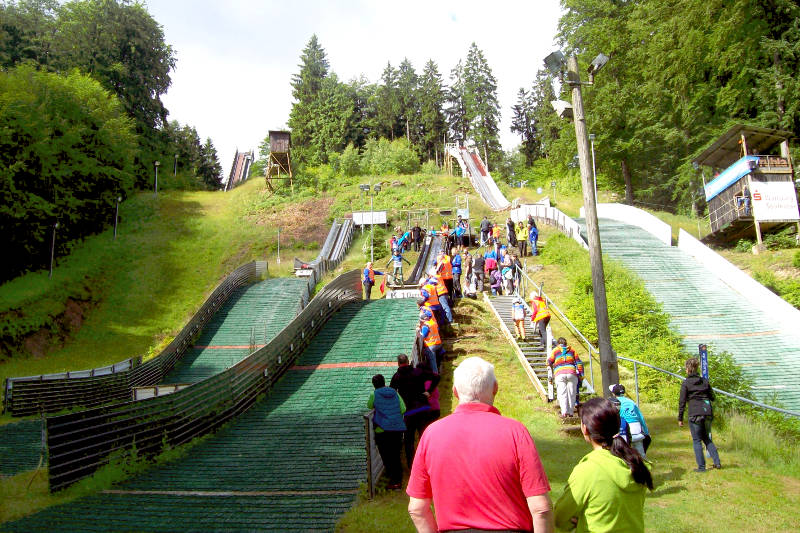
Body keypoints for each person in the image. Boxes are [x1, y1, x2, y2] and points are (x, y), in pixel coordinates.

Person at [407, 357, 553, 533]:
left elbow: (417, 509)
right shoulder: (515, 431)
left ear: (455, 392)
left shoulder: (431, 434)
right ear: (495, 389)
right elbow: (541, 508)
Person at [554, 397, 653, 532]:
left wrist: (577, 522)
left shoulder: (588, 470)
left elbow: (559, 517)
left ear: (585, 428)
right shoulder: (635, 463)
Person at [391, 354, 440, 470]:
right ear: (408, 361)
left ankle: (412, 467)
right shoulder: (418, 372)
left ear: (398, 363)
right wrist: (429, 391)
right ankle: (430, 463)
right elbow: (436, 377)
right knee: (425, 438)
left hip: (408, 413)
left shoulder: (396, 377)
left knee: (409, 442)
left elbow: (392, 393)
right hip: (423, 409)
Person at [678, 357, 722, 472]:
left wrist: (680, 418)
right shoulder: (705, 381)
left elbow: (682, 401)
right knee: (706, 438)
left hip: (695, 413)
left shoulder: (686, 383)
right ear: (696, 368)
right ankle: (717, 462)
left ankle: (701, 467)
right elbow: (712, 397)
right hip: (707, 412)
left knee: (697, 440)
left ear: (688, 369)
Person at [368, 374, 406, 489]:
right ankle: (398, 480)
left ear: (374, 385)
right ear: (384, 382)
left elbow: (369, 405)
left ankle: (393, 480)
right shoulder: (394, 392)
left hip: (382, 430)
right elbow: (403, 408)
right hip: (397, 428)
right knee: (395, 455)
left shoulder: (374, 394)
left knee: (386, 456)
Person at [610, 384, 651, 459]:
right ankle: (643, 466)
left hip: (625, 430)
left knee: (624, 454)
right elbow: (640, 417)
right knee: (640, 454)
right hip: (637, 429)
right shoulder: (631, 402)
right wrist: (646, 432)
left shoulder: (615, 403)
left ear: (613, 393)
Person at [548, 337, 584, 418]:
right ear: (566, 343)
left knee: (562, 393)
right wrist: (581, 375)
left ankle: (564, 412)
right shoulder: (572, 350)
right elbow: (579, 363)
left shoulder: (555, 350)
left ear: (558, 343)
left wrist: (550, 369)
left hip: (560, 373)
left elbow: (549, 361)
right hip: (571, 373)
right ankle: (571, 412)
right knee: (572, 393)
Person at [418, 308, 443, 374]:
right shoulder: (433, 323)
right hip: (438, 343)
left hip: (431, 346)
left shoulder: (426, 326)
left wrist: (419, 331)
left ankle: (435, 375)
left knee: (433, 362)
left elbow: (423, 335)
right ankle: (439, 369)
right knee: (437, 360)